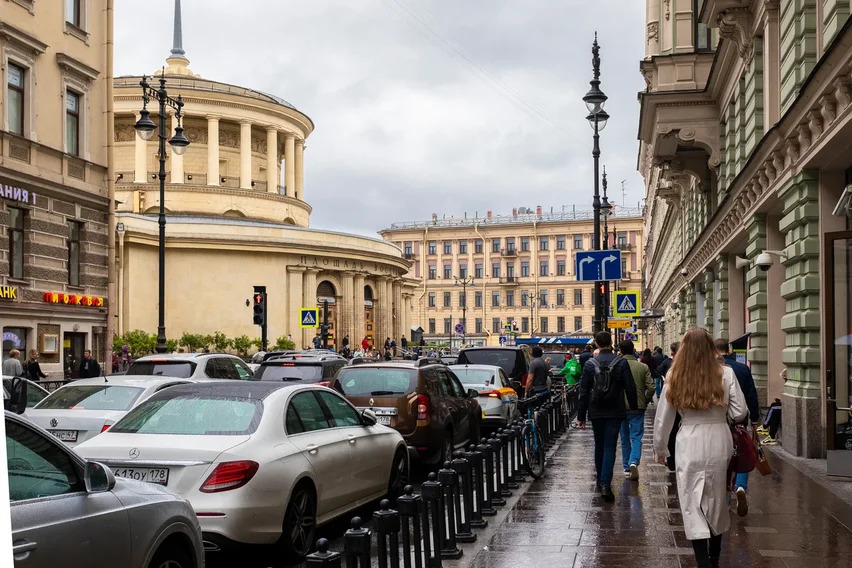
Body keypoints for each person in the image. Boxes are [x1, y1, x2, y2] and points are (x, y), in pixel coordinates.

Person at [654, 328, 747, 568]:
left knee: (691, 499)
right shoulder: (725, 373)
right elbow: (740, 412)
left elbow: (663, 419)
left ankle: (702, 561)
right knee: (717, 497)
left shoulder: (674, 376)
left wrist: (661, 449)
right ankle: (714, 558)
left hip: (689, 441)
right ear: (711, 349)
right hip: (719, 439)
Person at [577, 332, 638, 502]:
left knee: (599, 444)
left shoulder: (590, 364)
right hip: (615, 410)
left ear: (596, 344)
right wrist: (633, 406)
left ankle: (600, 482)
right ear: (611, 343)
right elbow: (630, 387)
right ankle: (605, 483)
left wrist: (580, 416)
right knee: (610, 446)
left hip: (596, 410)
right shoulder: (621, 362)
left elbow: (583, 392)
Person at [715, 338, 760, 517]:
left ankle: (726, 495)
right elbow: (751, 394)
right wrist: (755, 419)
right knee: (741, 450)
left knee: (726, 455)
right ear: (729, 349)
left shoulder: (715, 370)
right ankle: (741, 486)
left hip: (721, 418)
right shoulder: (742, 368)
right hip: (741, 418)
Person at [619, 340, 655, 481]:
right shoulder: (642, 366)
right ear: (633, 349)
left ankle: (627, 467)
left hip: (621, 406)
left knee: (624, 438)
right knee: (637, 436)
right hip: (638, 407)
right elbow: (651, 388)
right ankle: (634, 461)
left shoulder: (617, 365)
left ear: (620, 350)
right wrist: (645, 401)